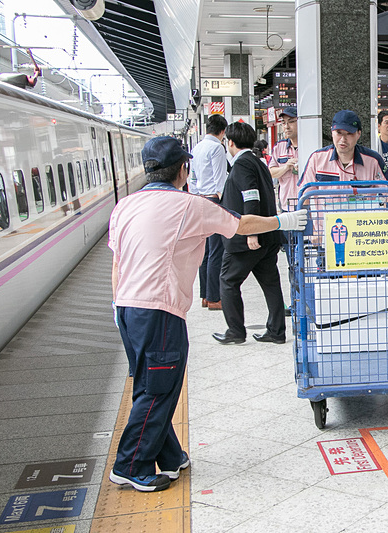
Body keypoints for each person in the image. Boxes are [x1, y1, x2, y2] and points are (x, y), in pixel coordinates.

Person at [109, 136, 306, 492]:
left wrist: (116, 306)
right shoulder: (188, 206)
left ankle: (169, 457)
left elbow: (118, 261)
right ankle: (130, 464)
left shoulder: (125, 206)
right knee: (158, 388)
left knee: (153, 384)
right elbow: (241, 224)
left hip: (126, 308)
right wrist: (284, 220)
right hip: (159, 311)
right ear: (184, 169)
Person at [214, 122, 286, 345]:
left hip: (248, 239)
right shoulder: (258, 161)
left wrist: (250, 234)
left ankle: (235, 330)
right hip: (268, 235)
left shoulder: (242, 164)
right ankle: (276, 331)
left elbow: (251, 197)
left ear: (231, 143)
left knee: (227, 281)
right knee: (271, 283)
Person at [298, 110, 388, 187]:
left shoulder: (373, 160)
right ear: (331, 132)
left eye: (349, 133)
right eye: (339, 133)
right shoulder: (316, 159)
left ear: (358, 134)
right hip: (325, 213)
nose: (343, 139)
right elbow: (304, 192)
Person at [190, 114, 228, 311]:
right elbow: (220, 179)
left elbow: (192, 179)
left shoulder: (196, 148)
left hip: (199, 199)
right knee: (216, 250)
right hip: (214, 199)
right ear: (222, 131)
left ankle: (204, 295)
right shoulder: (217, 148)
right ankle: (214, 297)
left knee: (204, 250)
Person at [269, 106, 299, 212]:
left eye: (291, 122)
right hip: (286, 205)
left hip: (307, 204)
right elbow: (271, 172)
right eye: (284, 123)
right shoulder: (279, 147)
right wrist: (286, 167)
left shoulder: (310, 146)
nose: (286, 126)